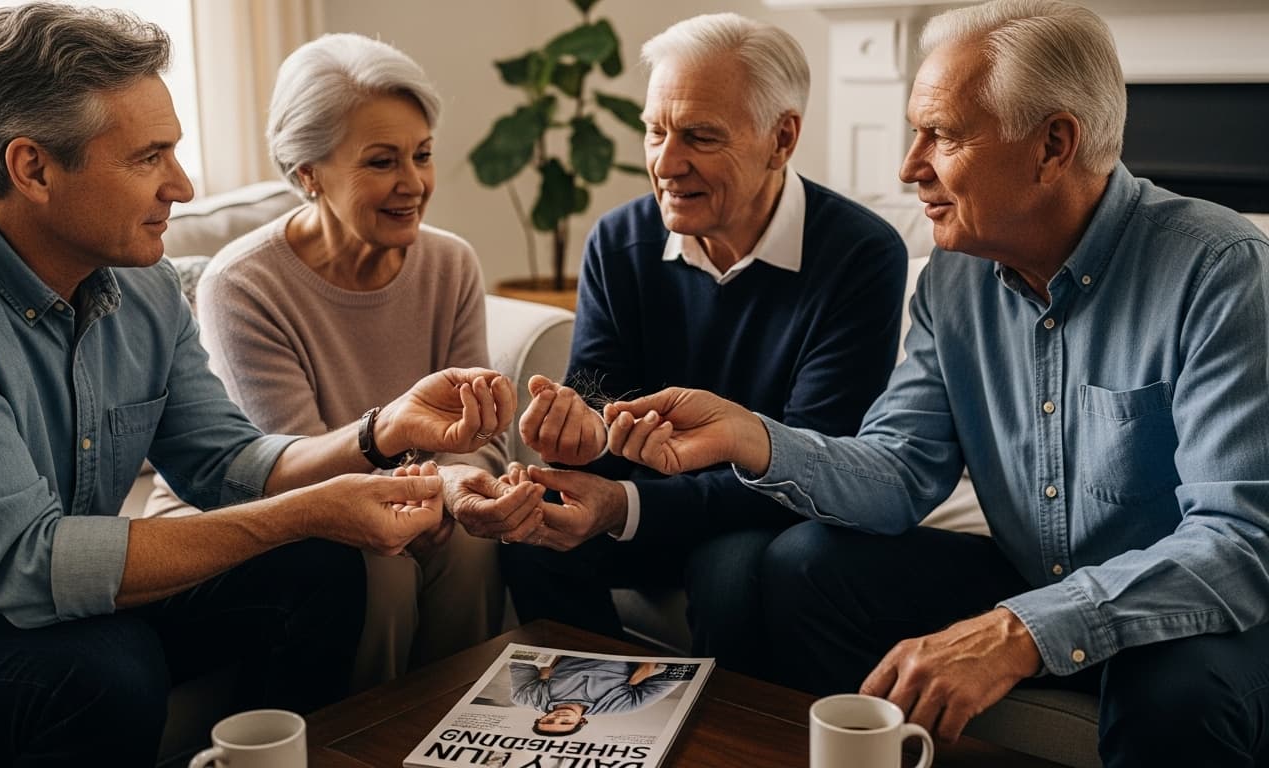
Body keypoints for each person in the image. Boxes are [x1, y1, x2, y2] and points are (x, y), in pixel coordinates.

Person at [603, 1, 1269, 765]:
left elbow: (1238, 540)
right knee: (802, 567)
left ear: (1053, 144)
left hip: (1202, 610)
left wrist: (1021, 631)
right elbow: (900, 468)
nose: (909, 166)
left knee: (1175, 695)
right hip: (1033, 574)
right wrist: (753, 438)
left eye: (942, 135)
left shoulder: (1218, 269)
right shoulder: (955, 277)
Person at [0, 5, 514, 765]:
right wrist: (301, 513)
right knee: (107, 670)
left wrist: (382, 432)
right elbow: (29, 567)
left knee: (326, 568)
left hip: (54, 600)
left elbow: (228, 466)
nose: (183, 184)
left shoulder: (142, 285)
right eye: (149, 157)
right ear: (32, 168)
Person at [490, 12, 907, 673]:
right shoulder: (618, 240)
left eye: (700, 137)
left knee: (732, 571)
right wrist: (579, 429)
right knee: (531, 531)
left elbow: (817, 455)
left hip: (763, 511)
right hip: (649, 501)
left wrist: (623, 504)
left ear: (782, 138)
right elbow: (598, 386)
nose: (665, 162)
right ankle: (596, 720)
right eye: (655, 131)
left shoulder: (860, 255)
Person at [143, 33, 542, 690]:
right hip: (267, 505)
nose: (413, 183)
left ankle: (455, 734)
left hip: (402, 492)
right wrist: (417, 492)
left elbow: (480, 438)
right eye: (382, 162)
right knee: (373, 563)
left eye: (422, 155)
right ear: (307, 174)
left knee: (471, 544)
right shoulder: (243, 284)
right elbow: (285, 470)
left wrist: (453, 488)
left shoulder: (450, 263)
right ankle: (361, 744)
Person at [510, 656, 682, 736]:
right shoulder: (622, 706)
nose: (558, 718)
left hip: (570, 637)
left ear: (540, 718)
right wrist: (649, 662)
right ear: (582, 721)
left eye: (548, 721)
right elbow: (685, 672)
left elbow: (518, 655)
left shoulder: (526, 697)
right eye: (565, 722)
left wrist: (545, 662)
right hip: (622, 643)